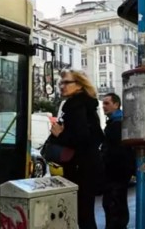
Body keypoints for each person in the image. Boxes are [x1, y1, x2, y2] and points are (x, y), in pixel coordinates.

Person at [50, 69, 104, 229]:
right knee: (84, 215)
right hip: (86, 168)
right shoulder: (85, 105)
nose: (62, 86)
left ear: (79, 85)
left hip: (80, 170)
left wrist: (60, 135)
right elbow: (97, 136)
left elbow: (82, 138)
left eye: (66, 82)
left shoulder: (77, 106)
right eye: (61, 83)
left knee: (82, 216)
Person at [101, 93, 135, 229]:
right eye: (103, 103)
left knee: (114, 207)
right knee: (116, 205)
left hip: (115, 173)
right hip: (118, 173)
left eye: (107, 103)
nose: (104, 106)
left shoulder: (117, 124)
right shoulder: (117, 122)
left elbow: (116, 151)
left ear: (116, 104)